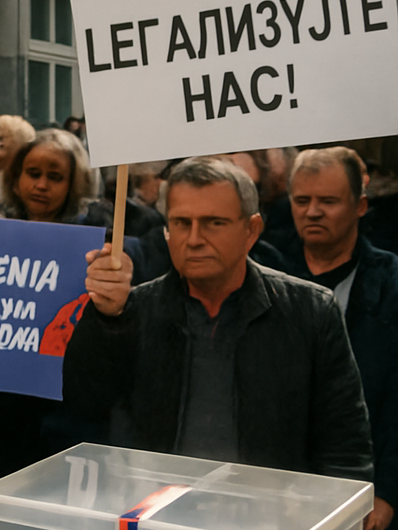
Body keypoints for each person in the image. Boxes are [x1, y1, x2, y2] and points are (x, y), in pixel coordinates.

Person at [64, 156, 372, 480]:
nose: (195, 239)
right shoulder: (134, 310)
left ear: (251, 230)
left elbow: (344, 441)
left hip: (269, 519)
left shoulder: (311, 311)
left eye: (214, 223)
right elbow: (85, 402)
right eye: (182, 223)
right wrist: (106, 319)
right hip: (154, 515)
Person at [282, 146, 398, 530]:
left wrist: (388, 490)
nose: (313, 213)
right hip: (276, 486)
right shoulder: (266, 267)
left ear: (361, 205)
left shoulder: (392, 282)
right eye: (302, 200)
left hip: (359, 493)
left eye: (328, 201)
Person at [0, 127, 108, 225]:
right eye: (34, 174)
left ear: (75, 185)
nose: (42, 186)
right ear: (15, 178)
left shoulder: (101, 235)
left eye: (54, 177)